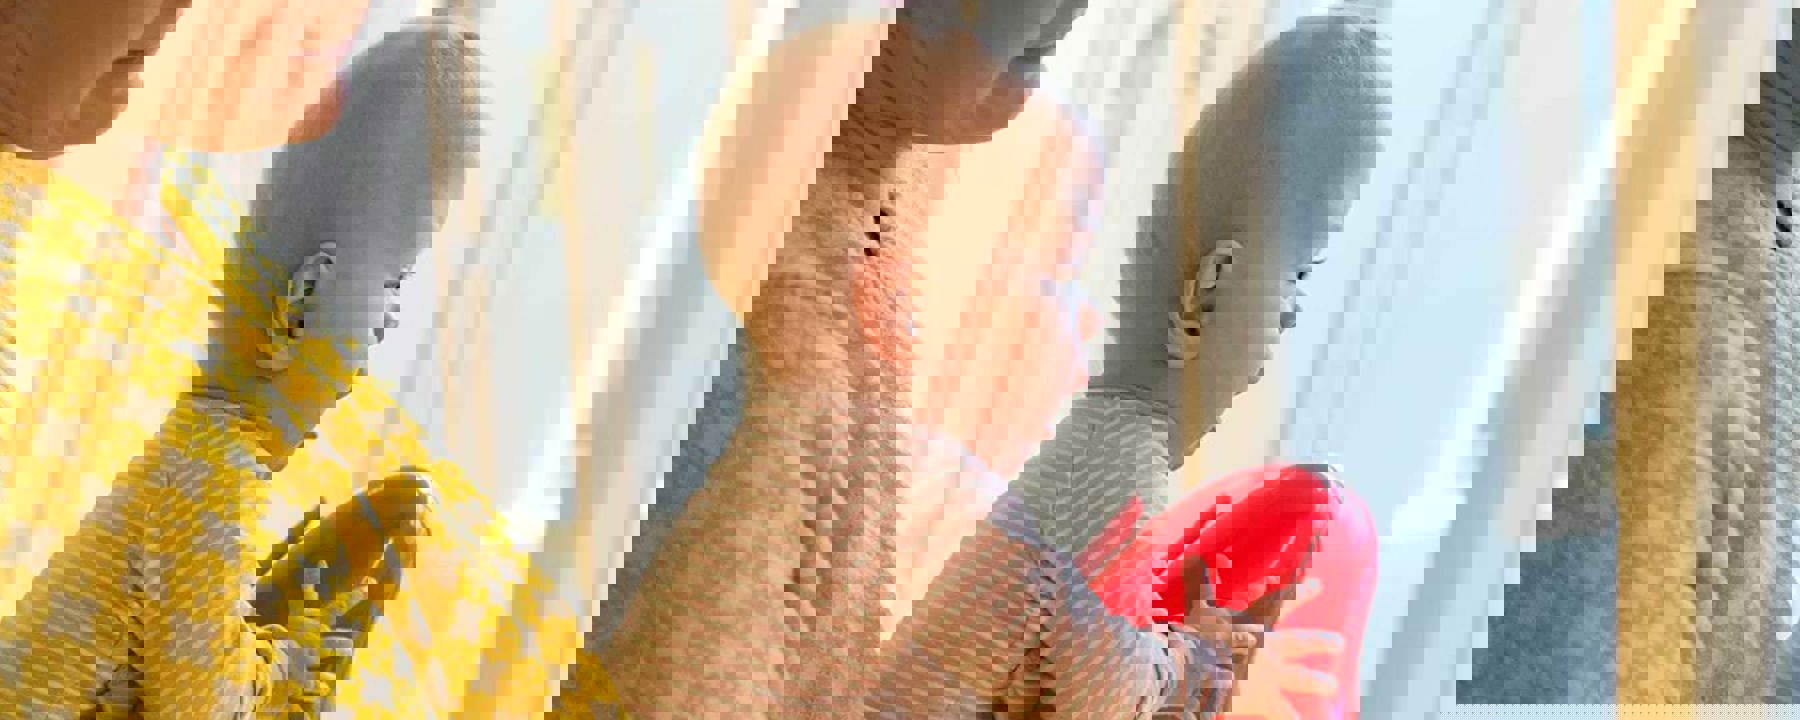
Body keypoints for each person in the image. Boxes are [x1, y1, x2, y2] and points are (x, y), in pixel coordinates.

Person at [0, 10, 478, 717]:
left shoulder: (204, 461)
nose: (380, 334)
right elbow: (202, 704)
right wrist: (288, 660)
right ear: (299, 308)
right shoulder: (213, 469)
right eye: (388, 299)